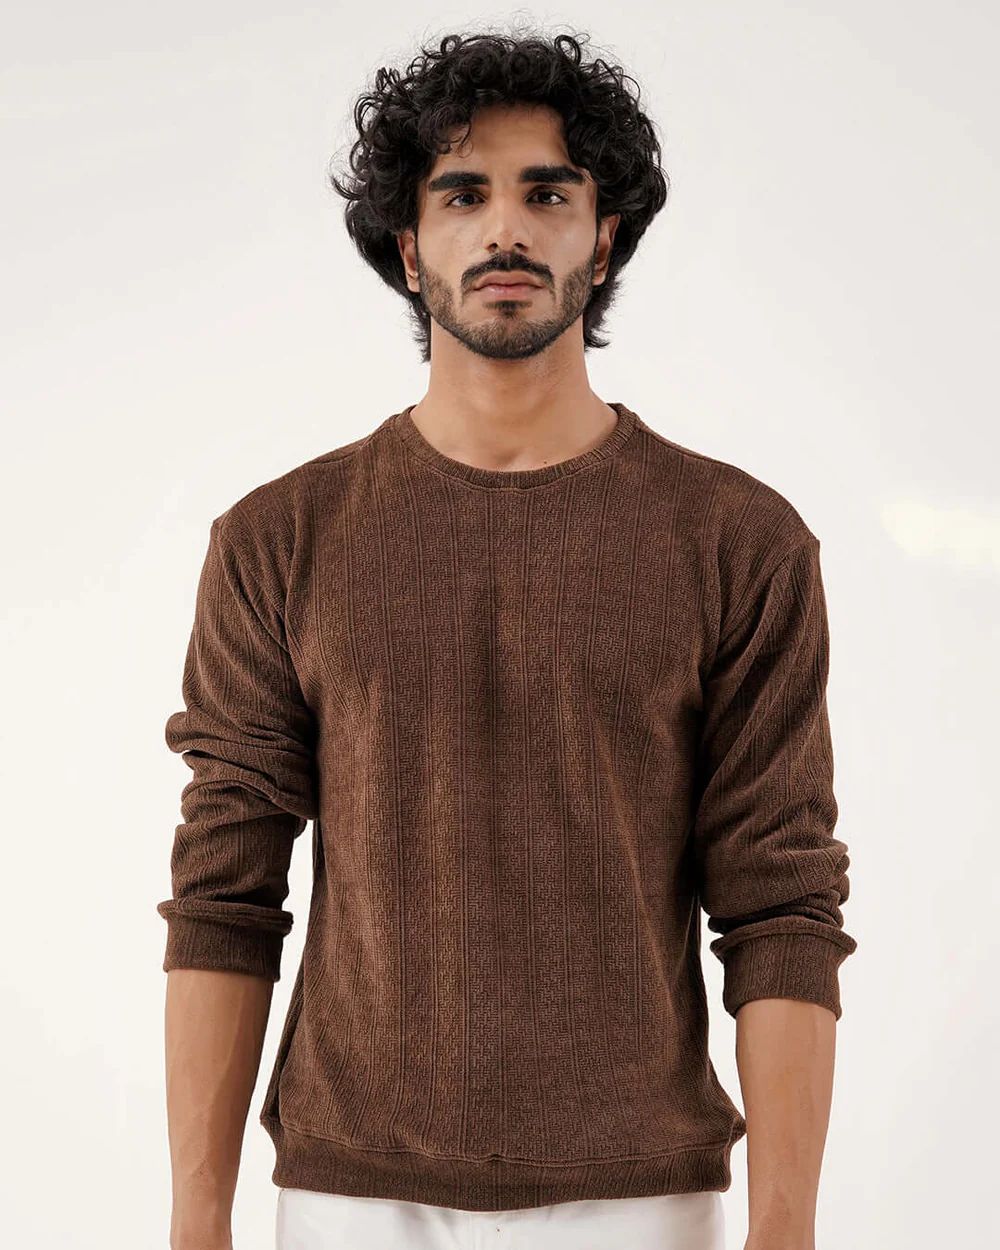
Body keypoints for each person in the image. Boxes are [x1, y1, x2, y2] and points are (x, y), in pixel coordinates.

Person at [158, 27, 856, 1250]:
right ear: (407, 245)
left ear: (606, 237)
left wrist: (784, 1227)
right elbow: (225, 886)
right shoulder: (279, 539)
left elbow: (779, 899)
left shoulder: (738, 541)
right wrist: (195, 1221)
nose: (505, 231)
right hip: (348, 1196)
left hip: (641, 1198)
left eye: (547, 193)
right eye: (462, 194)